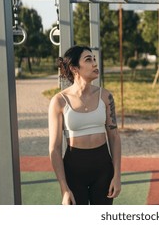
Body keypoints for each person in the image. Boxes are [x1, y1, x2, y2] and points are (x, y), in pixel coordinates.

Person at [48, 45, 121, 205]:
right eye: (89, 60)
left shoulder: (106, 96)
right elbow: (54, 148)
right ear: (74, 68)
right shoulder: (59, 101)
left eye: (94, 59)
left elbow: (114, 137)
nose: (95, 63)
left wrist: (117, 175)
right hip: (73, 171)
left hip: (103, 169)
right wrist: (64, 188)